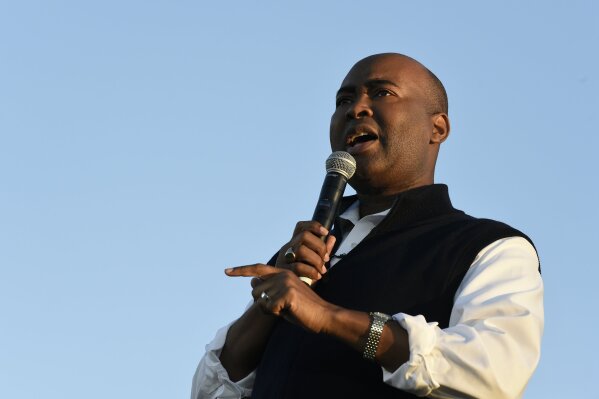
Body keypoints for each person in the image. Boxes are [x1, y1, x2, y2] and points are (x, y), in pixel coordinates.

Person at [191, 53, 543, 399]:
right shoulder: (306, 250)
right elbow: (209, 392)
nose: (355, 109)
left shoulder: (487, 247)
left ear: (437, 128)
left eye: (382, 93)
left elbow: (494, 373)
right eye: (343, 99)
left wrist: (328, 317)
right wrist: (269, 303)